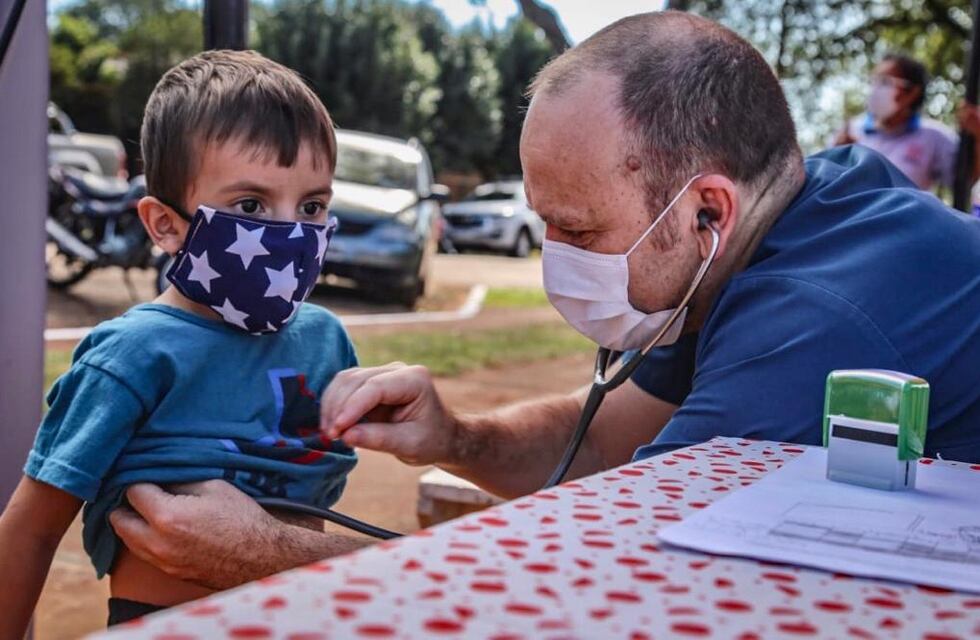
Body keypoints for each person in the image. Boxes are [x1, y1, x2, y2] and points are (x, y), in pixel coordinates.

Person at [107, 12, 980, 593]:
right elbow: (608, 442)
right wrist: (457, 439)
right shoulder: (778, 219)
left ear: (706, 210)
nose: (555, 259)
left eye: (581, 230)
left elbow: (613, 585)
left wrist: (278, 555)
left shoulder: (818, 319)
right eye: (544, 223)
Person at [0, 50, 369, 635]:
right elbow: (32, 527)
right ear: (165, 224)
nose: (292, 232)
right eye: (250, 205)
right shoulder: (130, 355)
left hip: (305, 619)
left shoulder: (327, 340)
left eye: (313, 206)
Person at [834, 52, 980, 191]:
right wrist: (836, 159)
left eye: (885, 82)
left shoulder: (934, 137)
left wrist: (978, 137)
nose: (875, 89)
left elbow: (965, 182)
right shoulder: (850, 131)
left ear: (912, 92)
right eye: (874, 81)